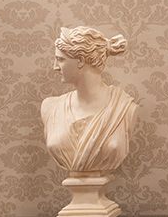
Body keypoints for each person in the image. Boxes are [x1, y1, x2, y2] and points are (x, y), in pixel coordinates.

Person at [41, 26, 139, 177]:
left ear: (80, 60)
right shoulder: (51, 108)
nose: (55, 67)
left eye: (60, 59)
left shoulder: (124, 108)